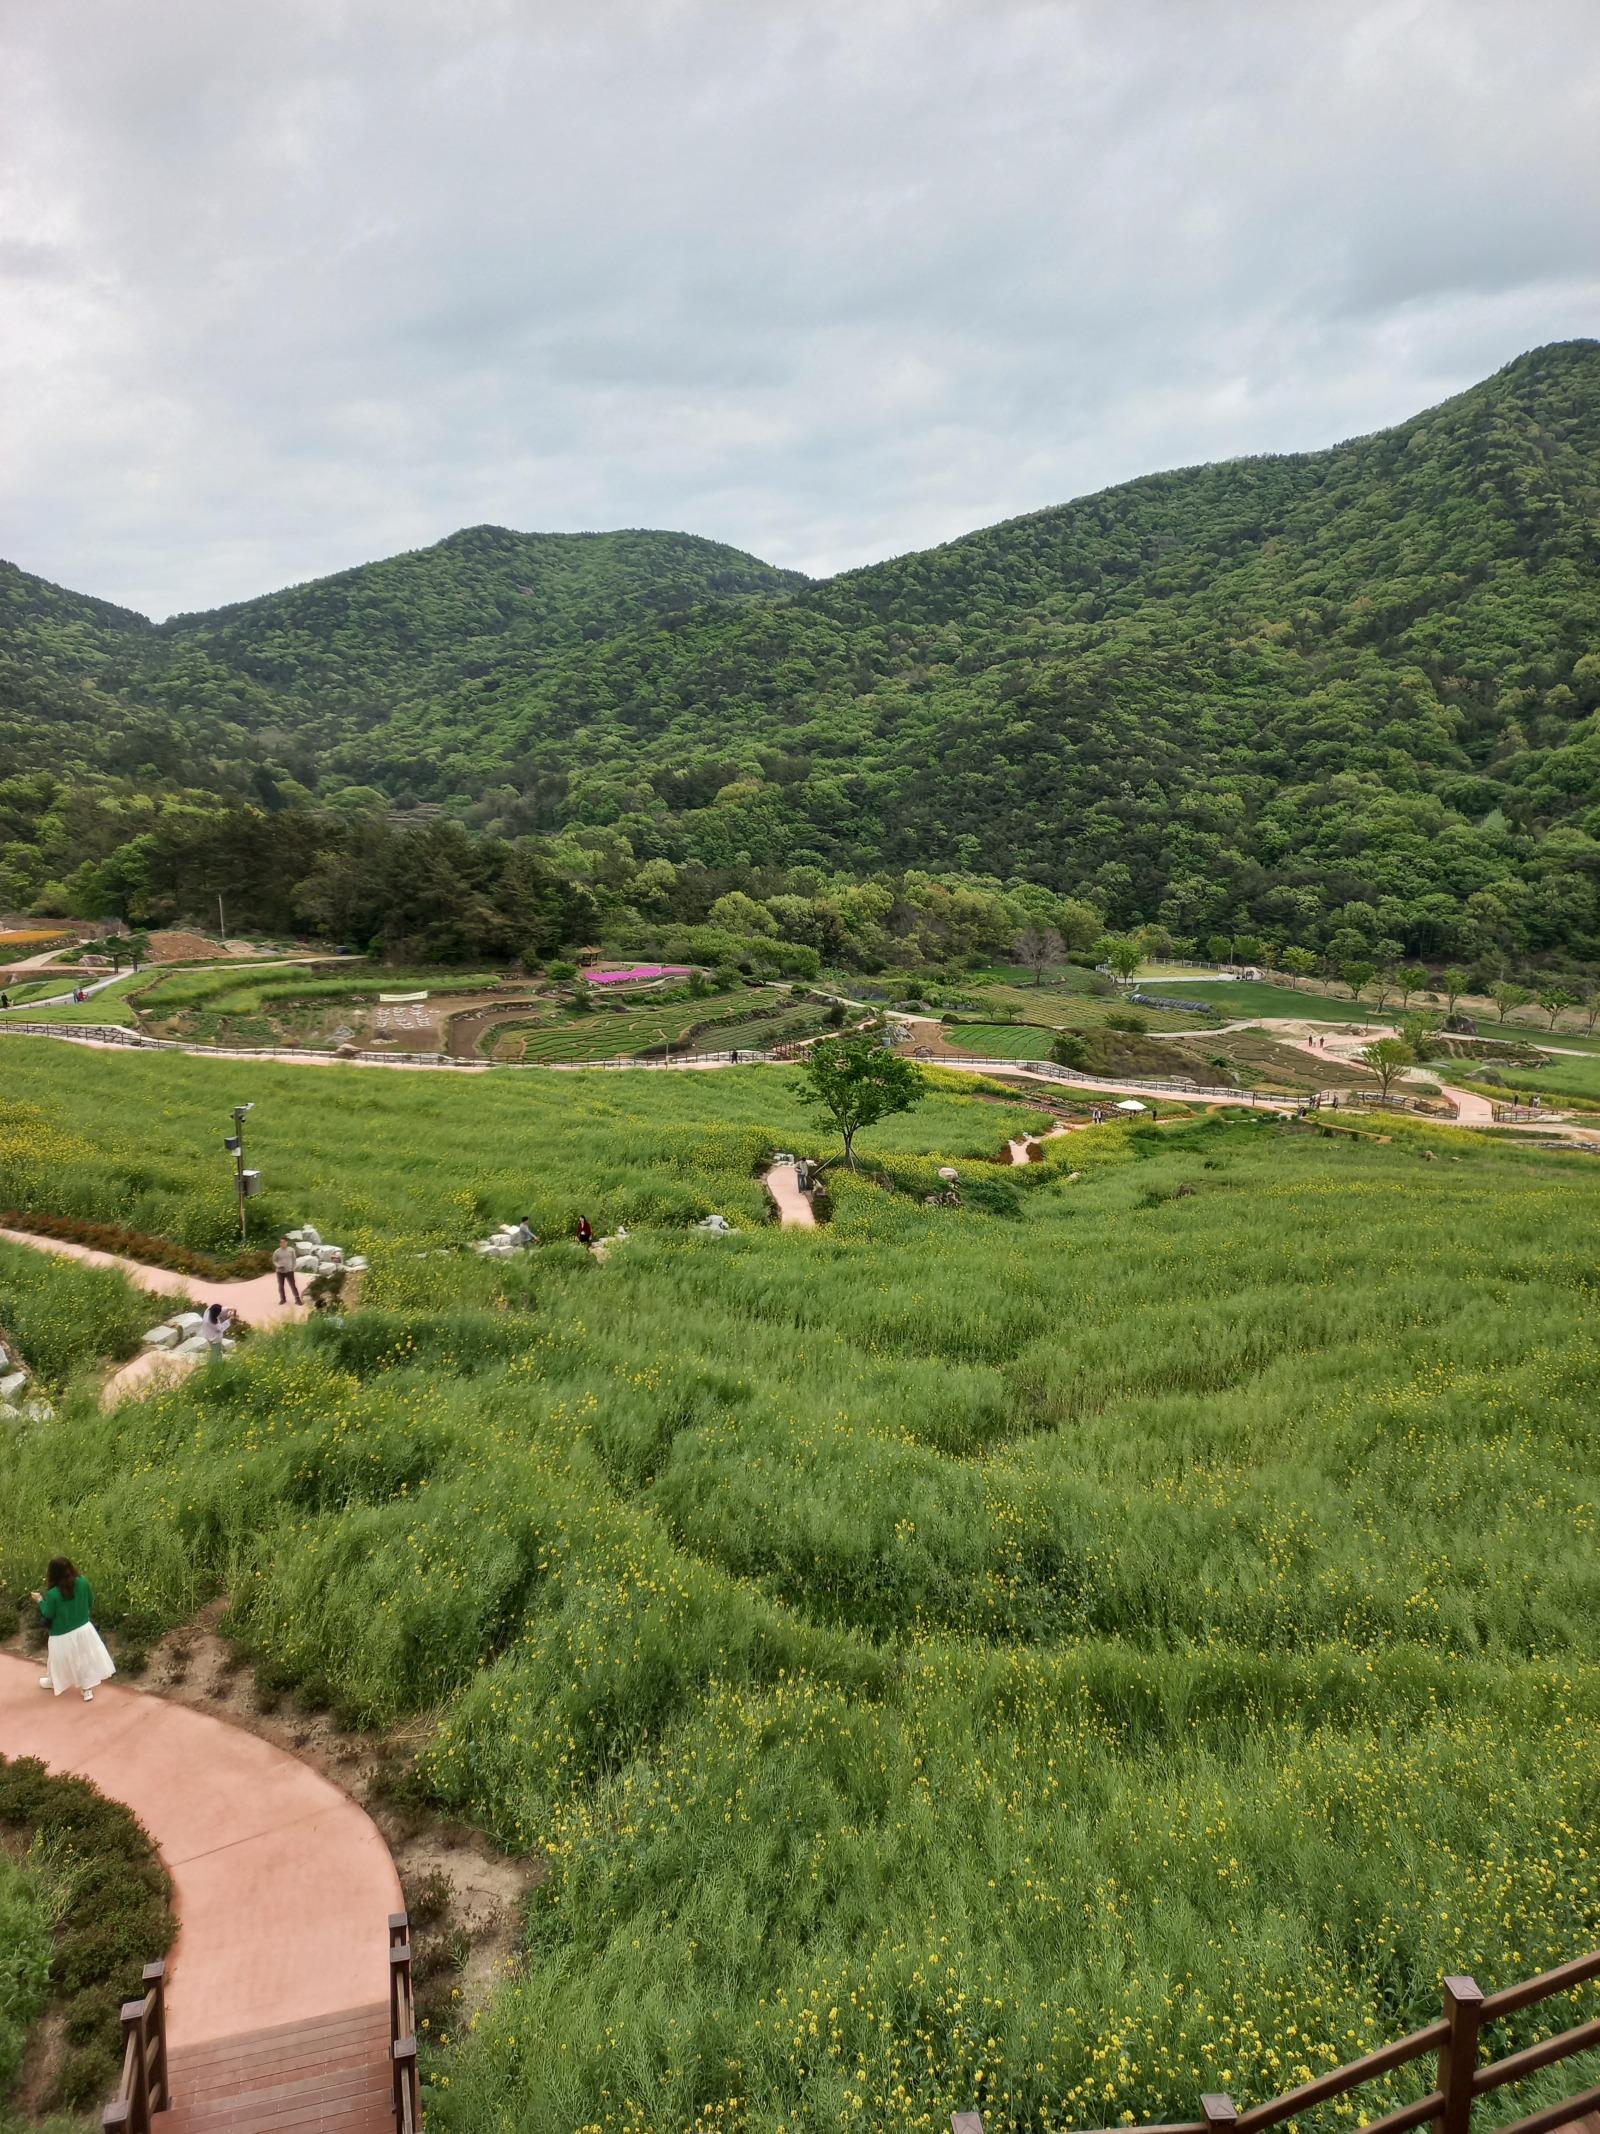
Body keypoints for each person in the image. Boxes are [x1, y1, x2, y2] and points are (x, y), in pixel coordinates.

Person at [32, 1557, 115, 1702]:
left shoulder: (53, 1594)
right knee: (84, 1658)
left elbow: (48, 1614)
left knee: (56, 1660)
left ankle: (53, 1681)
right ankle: (87, 1689)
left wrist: (40, 1601)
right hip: (84, 1629)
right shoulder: (83, 1582)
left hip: (60, 1634)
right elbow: (90, 1601)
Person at [272, 1236, 302, 1306]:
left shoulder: (291, 1250)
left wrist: (293, 1268)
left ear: (286, 1242)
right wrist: (278, 1265)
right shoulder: (277, 1251)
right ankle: (283, 1299)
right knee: (281, 1286)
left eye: (283, 1242)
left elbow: (294, 1259)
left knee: (293, 1285)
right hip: (280, 1272)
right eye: (281, 1242)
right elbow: (274, 1260)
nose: (282, 1243)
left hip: (289, 1271)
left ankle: (297, 1300)